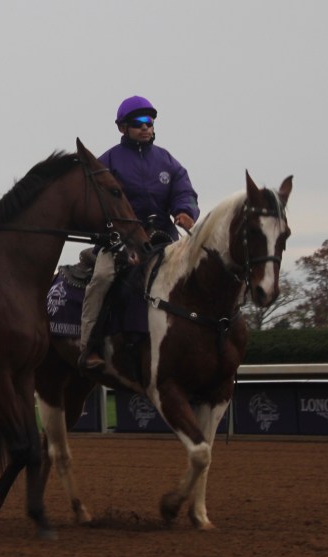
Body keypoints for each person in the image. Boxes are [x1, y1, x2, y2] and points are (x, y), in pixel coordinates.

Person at [78, 95, 200, 372]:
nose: (146, 126)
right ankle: (89, 346)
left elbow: (184, 192)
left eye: (150, 121)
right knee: (102, 277)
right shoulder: (107, 161)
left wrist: (185, 211)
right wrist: (115, 238)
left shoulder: (167, 161)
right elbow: (94, 204)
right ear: (123, 127)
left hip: (165, 238)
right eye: (138, 122)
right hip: (120, 241)